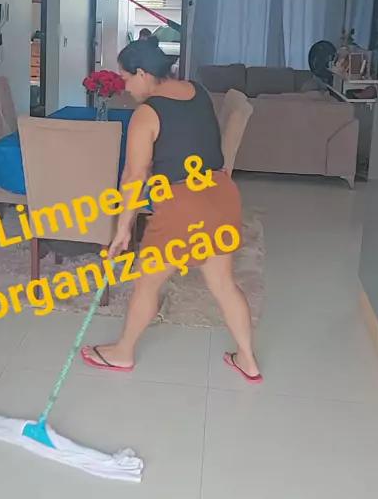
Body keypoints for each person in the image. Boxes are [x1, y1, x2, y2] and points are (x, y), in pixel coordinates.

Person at [81, 37, 262, 382]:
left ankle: (123, 352)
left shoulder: (146, 114)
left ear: (143, 73)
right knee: (224, 283)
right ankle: (248, 360)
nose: (125, 88)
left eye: (127, 79)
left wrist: (123, 229)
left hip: (183, 205)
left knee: (146, 285)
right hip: (221, 194)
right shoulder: (197, 90)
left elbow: (134, 176)